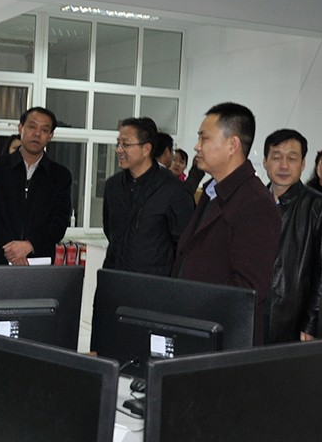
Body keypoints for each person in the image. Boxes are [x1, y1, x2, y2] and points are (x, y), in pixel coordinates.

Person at [172, 102, 281, 344]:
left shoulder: (255, 202)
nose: (197, 146)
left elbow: (247, 288)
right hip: (195, 327)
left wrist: (194, 306)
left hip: (222, 336)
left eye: (204, 138)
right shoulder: (212, 191)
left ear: (232, 145)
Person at [262, 129, 322, 344]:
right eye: (276, 157)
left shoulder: (320, 207)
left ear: (303, 164)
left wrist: (311, 321)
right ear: (265, 162)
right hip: (253, 312)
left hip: (292, 318)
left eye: (292, 158)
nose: (283, 165)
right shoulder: (253, 203)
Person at [102, 117, 195, 275]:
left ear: (146, 149)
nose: (119, 150)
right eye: (118, 144)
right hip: (114, 278)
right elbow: (110, 230)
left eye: (126, 144)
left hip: (153, 282)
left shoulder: (173, 190)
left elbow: (184, 246)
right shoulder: (113, 186)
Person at [0, 107, 72, 265]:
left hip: (39, 259)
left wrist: (29, 245)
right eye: (32, 127)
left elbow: (59, 221)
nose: (37, 134)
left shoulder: (60, 176)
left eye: (44, 130)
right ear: (21, 128)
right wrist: (12, 250)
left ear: (50, 136)